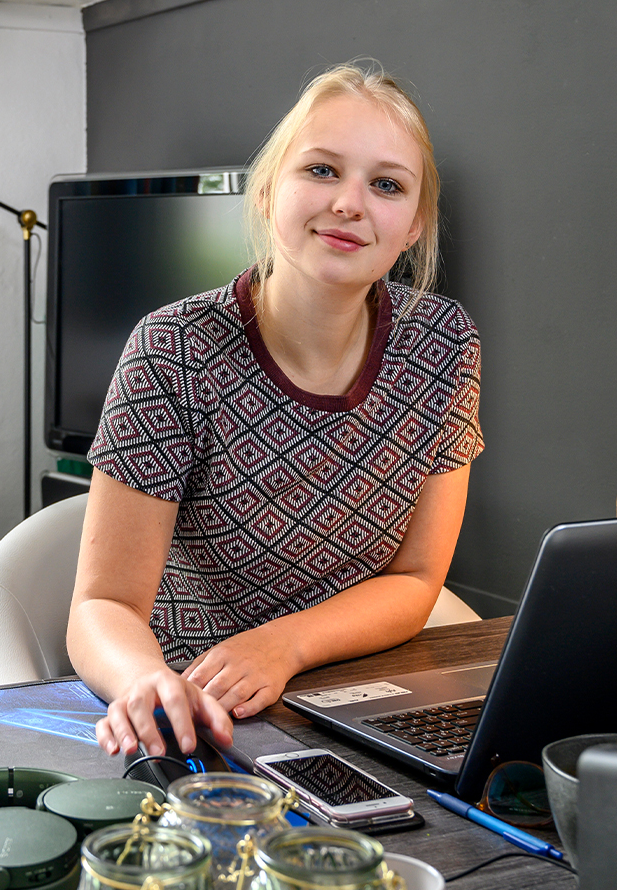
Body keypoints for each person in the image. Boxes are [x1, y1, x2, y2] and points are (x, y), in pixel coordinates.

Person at [67, 62, 484, 762]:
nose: (350, 203)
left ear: (412, 225)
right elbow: (99, 607)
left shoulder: (444, 343)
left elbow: (417, 580)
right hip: (197, 708)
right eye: (322, 170)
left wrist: (284, 644)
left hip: (363, 701)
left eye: (386, 184)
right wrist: (145, 681)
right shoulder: (174, 347)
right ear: (266, 192)